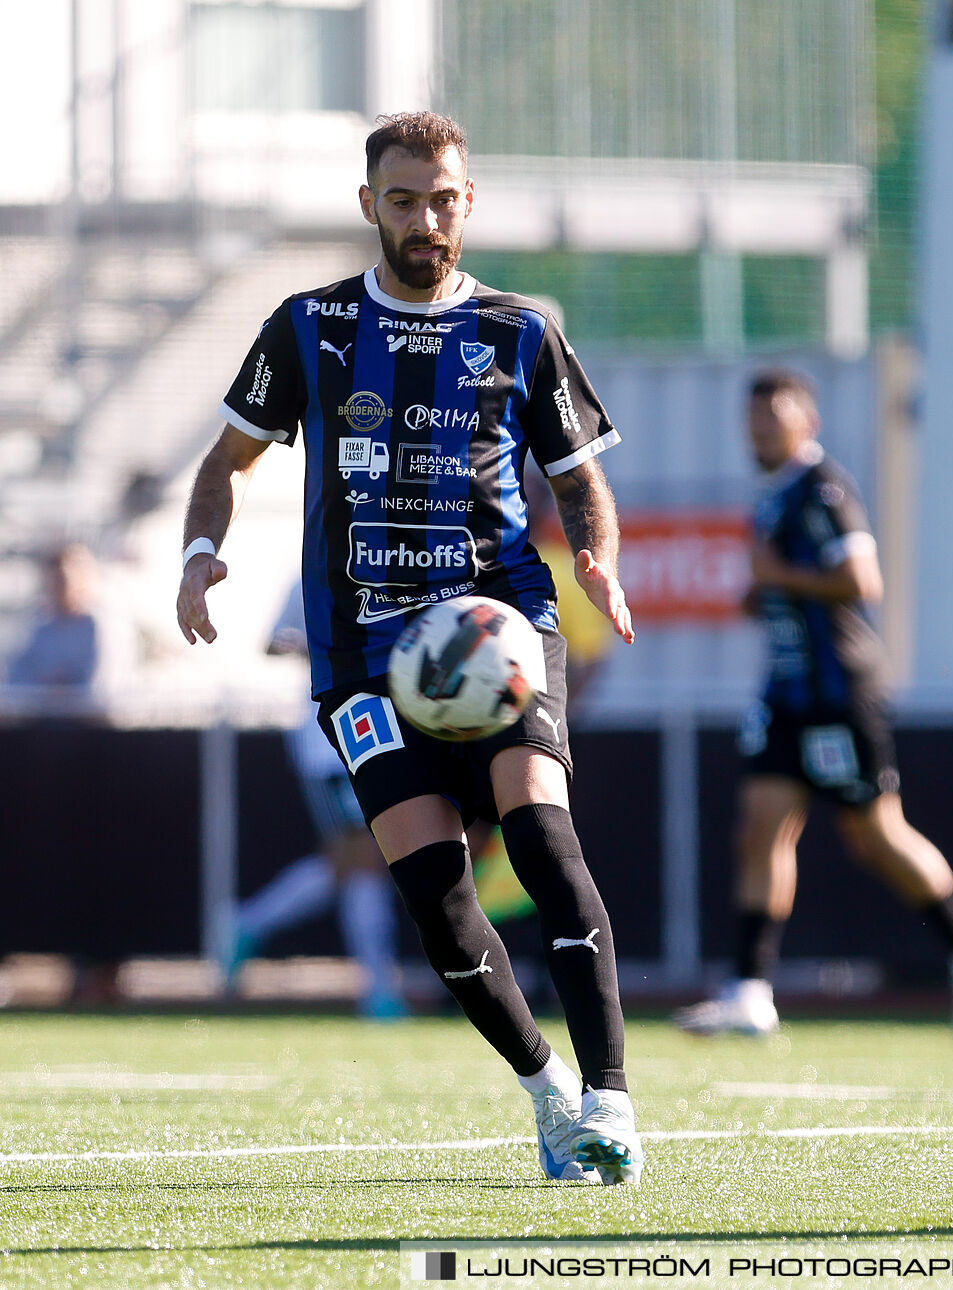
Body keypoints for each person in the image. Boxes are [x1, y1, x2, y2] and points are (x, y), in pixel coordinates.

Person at [177, 111, 645, 1185]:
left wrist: (598, 565)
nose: (425, 218)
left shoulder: (522, 331)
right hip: (362, 654)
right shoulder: (307, 326)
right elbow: (225, 462)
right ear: (368, 206)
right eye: (403, 199)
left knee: (538, 834)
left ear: (467, 202)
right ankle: (548, 1095)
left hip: (502, 624)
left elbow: (581, 485)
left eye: (442, 198)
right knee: (433, 890)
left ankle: (613, 1097)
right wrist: (202, 551)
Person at [676, 369, 953, 1039]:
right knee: (759, 829)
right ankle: (750, 989)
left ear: (809, 422)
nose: (759, 431)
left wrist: (778, 577)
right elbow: (789, 586)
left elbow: (862, 580)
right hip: (786, 695)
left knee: (874, 835)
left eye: (773, 418)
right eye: (752, 420)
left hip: (839, 696)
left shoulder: (823, 488)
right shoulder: (773, 498)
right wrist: (765, 594)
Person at [228, 586, 404, 1019]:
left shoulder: (401, 561)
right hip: (329, 742)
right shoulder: (309, 570)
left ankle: (246, 923)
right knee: (364, 859)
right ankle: (379, 990)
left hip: (390, 733)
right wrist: (331, 645)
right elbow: (273, 642)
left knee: (361, 862)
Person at [8, 544, 102, 692]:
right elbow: (17, 677)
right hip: (43, 713)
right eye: (54, 581)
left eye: (63, 581)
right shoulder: (41, 629)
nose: (57, 589)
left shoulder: (99, 627)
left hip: (88, 714)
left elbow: (100, 681)